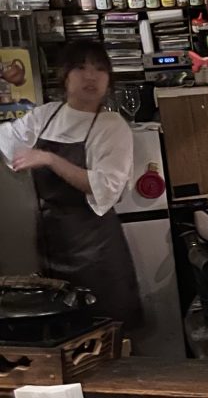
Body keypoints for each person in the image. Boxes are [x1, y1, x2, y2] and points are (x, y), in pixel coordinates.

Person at [0, 41, 142, 327]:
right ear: (65, 75)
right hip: (51, 243)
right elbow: (6, 139)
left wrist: (51, 160)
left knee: (106, 328)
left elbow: (104, 186)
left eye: (100, 70)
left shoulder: (111, 126)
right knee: (62, 328)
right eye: (81, 68)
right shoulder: (45, 115)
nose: (91, 77)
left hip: (96, 249)